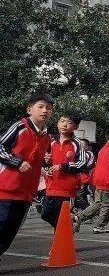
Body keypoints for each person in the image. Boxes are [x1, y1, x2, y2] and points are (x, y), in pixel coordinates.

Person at [0, 93, 53, 256]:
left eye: (49, 108)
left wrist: (47, 161)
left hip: (27, 193)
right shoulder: (20, 126)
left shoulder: (47, 135)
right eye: (41, 106)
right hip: (7, 190)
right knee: (1, 226)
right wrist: (17, 162)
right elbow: (1, 148)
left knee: (10, 231)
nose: (45, 111)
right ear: (30, 109)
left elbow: (37, 161)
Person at [41, 113, 87, 230]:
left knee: (61, 217)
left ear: (75, 127)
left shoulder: (77, 143)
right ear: (57, 123)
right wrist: (47, 165)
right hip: (51, 186)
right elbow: (47, 162)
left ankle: (62, 243)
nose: (64, 125)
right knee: (45, 214)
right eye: (62, 121)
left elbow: (82, 164)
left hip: (67, 188)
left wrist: (62, 166)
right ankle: (70, 226)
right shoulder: (51, 142)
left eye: (69, 122)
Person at [75, 129, 109, 234]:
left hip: (98, 180)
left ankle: (79, 217)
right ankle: (99, 226)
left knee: (99, 203)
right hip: (108, 181)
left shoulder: (102, 150)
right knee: (107, 205)